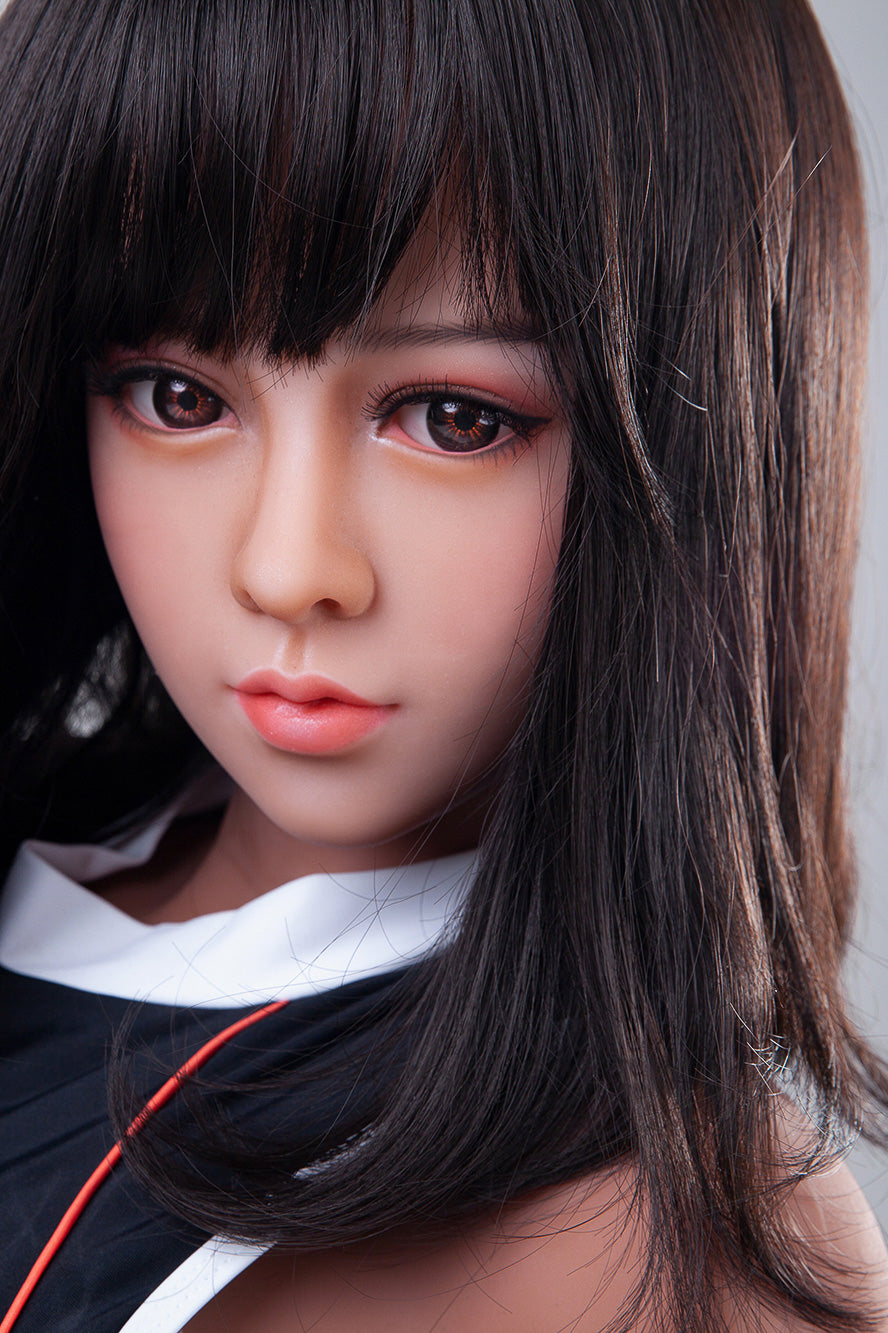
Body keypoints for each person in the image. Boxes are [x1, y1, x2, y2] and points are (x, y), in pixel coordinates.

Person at [0, 0, 885, 1328]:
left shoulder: (636, 1251)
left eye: (455, 418)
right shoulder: (62, 848)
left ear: (703, 445)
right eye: (178, 397)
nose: (287, 568)